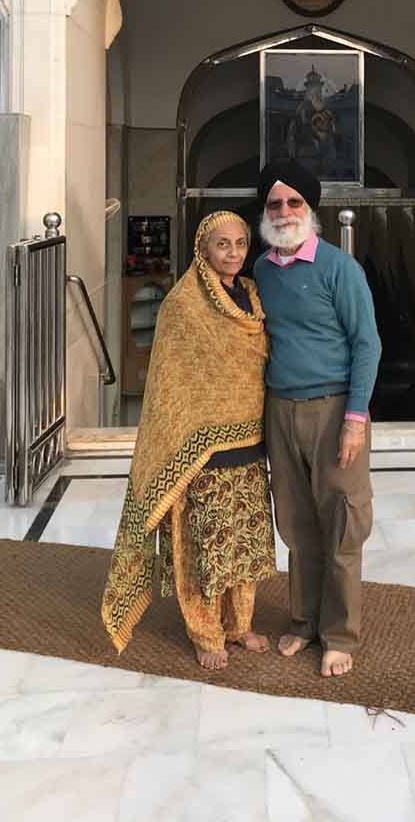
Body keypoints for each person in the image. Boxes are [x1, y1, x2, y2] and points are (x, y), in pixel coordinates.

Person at [102, 211, 275, 670]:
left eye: (240, 243)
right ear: (202, 248)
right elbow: (172, 382)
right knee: (203, 545)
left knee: (245, 542)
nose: (233, 252)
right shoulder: (184, 304)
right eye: (223, 244)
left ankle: (239, 626)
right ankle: (205, 632)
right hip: (201, 448)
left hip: (251, 439)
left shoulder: (253, 295)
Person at [254, 159, 382, 677]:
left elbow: (367, 345)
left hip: (333, 411)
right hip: (278, 410)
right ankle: (304, 621)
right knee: (297, 523)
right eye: (274, 204)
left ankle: (340, 635)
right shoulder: (261, 270)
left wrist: (355, 418)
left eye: (294, 202)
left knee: (342, 524)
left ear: (310, 209)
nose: (284, 212)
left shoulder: (338, 268)